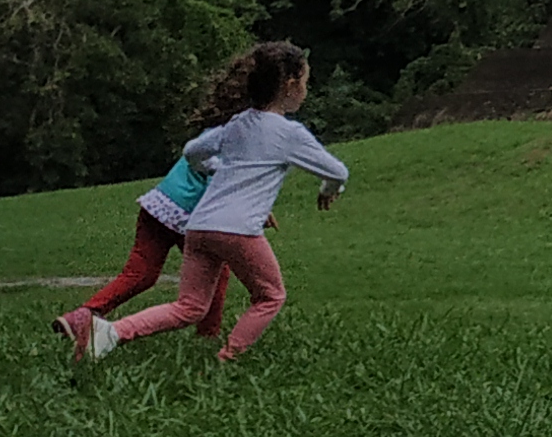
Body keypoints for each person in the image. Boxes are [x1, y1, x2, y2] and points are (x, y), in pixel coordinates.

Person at [76, 40, 349, 366]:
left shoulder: (237, 124)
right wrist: (328, 189)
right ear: (290, 86)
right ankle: (228, 359)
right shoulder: (289, 133)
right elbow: (337, 170)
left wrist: (215, 168)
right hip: (239, 231)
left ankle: (110, 333)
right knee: (270, 296)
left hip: (199, 226)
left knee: (189, 306)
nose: (306, 89)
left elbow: (192, 151)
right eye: (305, 82)